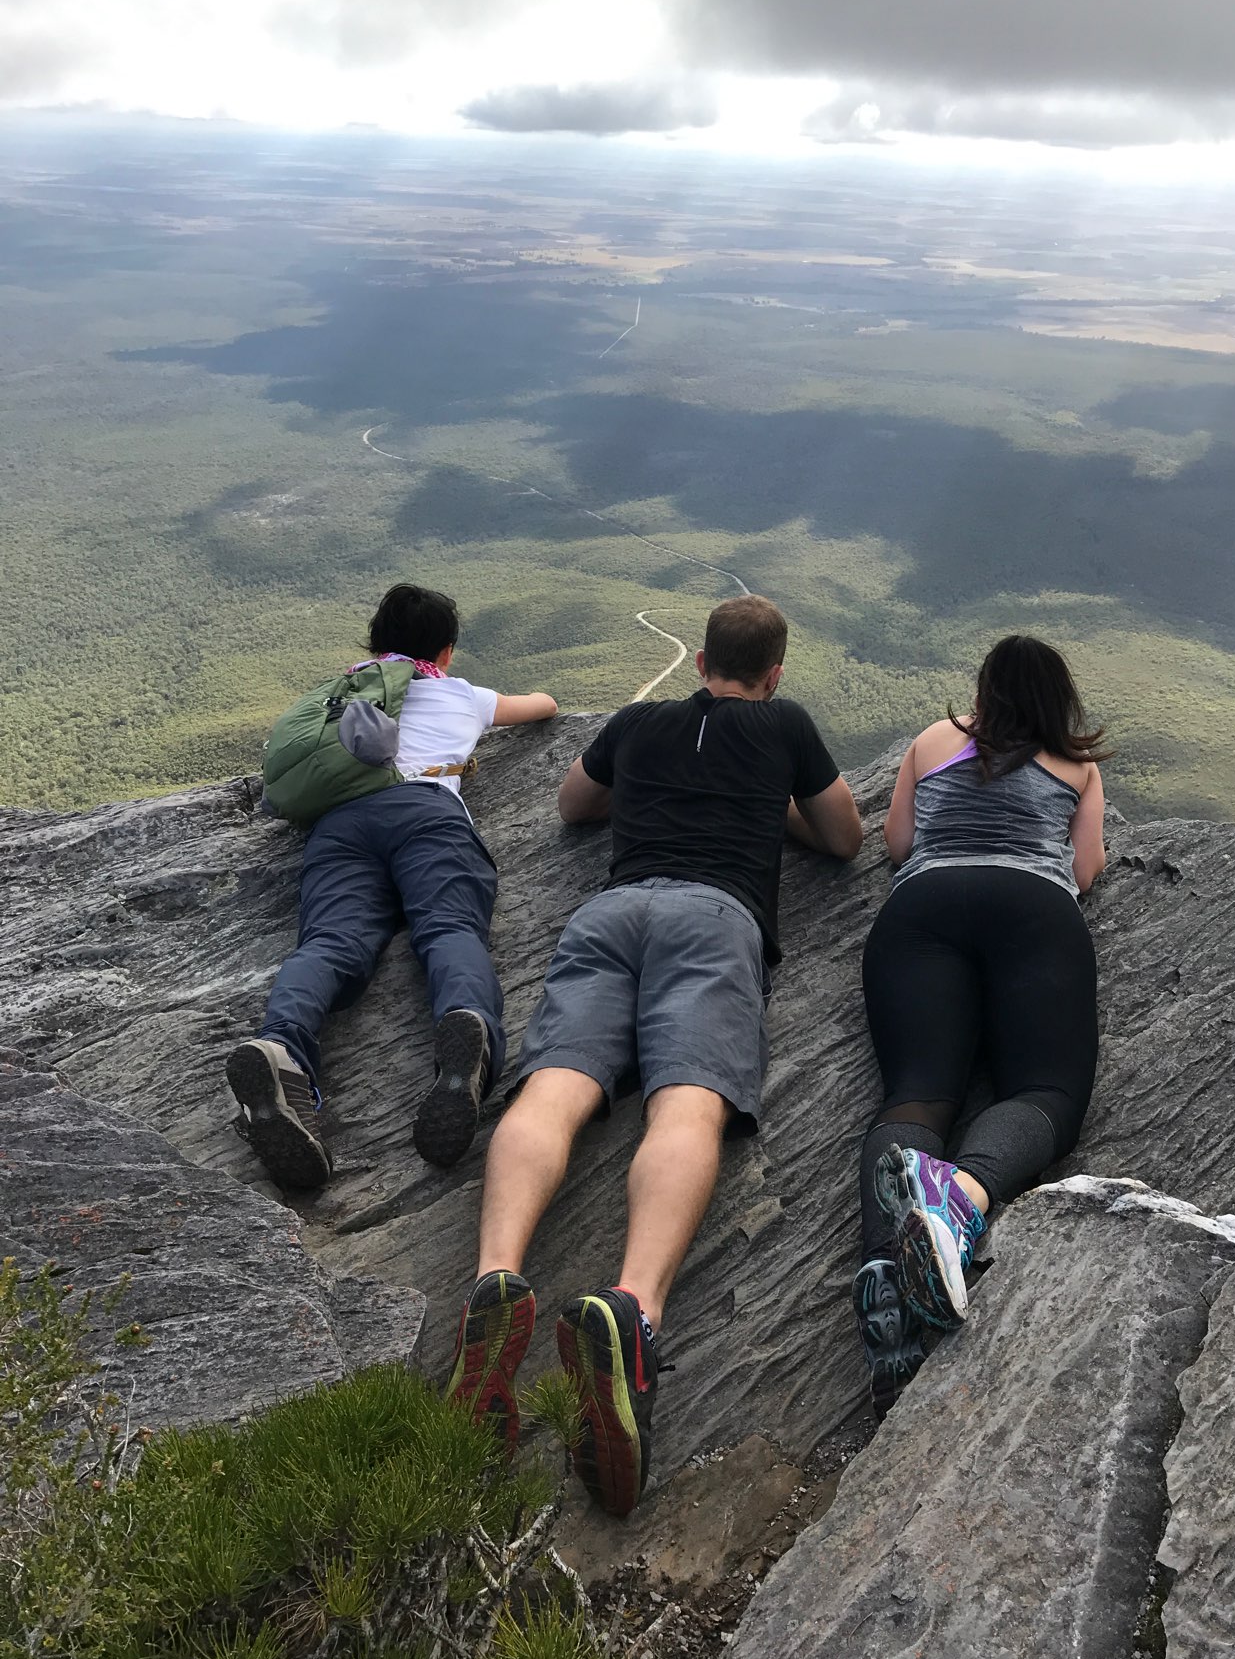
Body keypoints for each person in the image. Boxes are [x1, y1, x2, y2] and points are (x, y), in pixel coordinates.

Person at [446, 595, 863, 1515]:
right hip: (716, 921)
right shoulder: (786, 724)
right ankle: (630, 1312)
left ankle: (495, 1278)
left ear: (701, 659)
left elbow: (571, 806)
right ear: (773, 674)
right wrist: (771, 806)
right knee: (687, 1102)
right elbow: (844, 838)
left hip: (611, 911)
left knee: (554, 1090)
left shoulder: (639, 723)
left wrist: (644, 784)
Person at [225, 583, 557, 1191]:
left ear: (374, 644)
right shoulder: (463, 694)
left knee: (330, 943)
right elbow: (544, 705)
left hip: (341, 825)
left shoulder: (339, 700)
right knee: (449, 928)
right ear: (447, 652)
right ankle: (466, 1029)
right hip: (428, 814)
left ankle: (281, 1050)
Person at [853, 634, 1108, 1416]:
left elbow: (897, 843)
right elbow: (1086, 869)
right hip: (1033, 910)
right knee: (1045, 1091)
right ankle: (961, 1196)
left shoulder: (932, 742)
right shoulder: (1077, 764)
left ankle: (885, 1278)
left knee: (918, 1093)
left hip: (922, 909)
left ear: (984, 689)